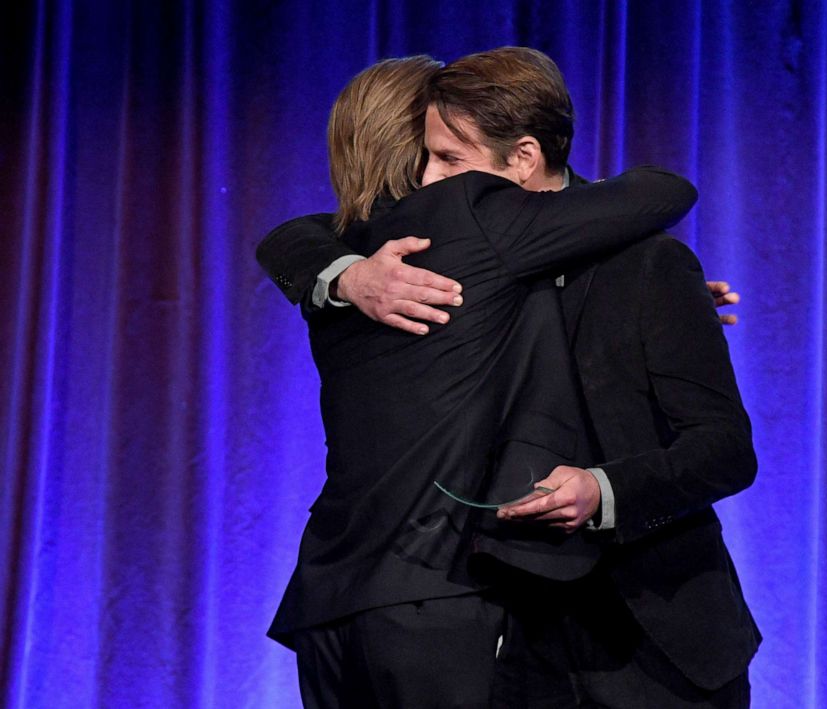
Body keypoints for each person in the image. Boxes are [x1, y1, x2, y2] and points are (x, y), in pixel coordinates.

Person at [260, 47, 760, 707]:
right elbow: (304, 234)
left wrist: (603, 488)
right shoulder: (414, 261)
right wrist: (346, 274)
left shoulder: (644, 264)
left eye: (449, 160)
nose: (430, 180)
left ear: (520, 157)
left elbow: (724, 449)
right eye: (425, 156)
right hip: (520, 644)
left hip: (653, 637)